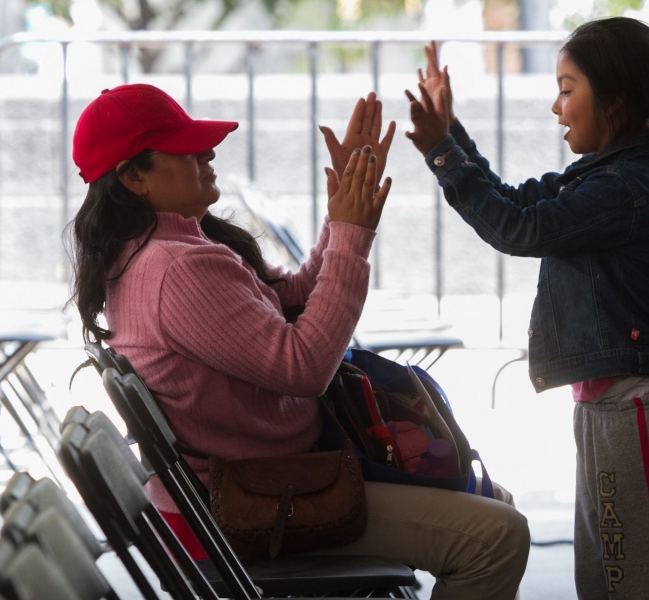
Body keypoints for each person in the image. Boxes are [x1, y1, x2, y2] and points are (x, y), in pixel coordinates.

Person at [66, 83, 530, 600]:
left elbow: (291, 297)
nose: (208, 153)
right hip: (250, 505)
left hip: (265, 485)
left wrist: (341, 216)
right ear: (133, 177)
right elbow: (305, 367)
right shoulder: (176, 267)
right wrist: (352, 236)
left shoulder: (165, 247)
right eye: (185, 148)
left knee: (497, 503)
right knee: (498, 536)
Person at [405, 18, 649, 599]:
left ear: (616, 101)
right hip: (609, 407)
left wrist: (444, 152)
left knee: (648, 586)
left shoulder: (624, 188)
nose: (556, 105)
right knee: (607, 581)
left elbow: (518, 228)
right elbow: (514, 202)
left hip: (637, 410)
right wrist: (453, 137)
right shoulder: (600, 177)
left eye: (568, 89)